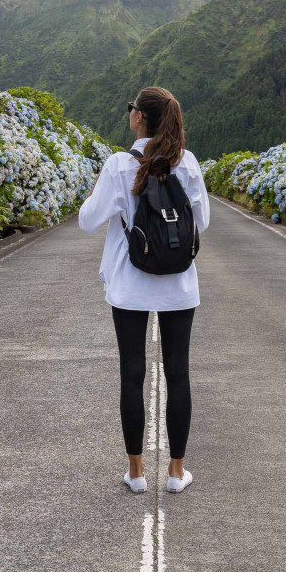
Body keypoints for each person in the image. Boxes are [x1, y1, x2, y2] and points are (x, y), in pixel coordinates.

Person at [77, 86, 210, 495]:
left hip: (130, 285)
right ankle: (175, 472)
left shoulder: (119, 164)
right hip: (178, 284)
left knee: (132, 373)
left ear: (139, 118)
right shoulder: (186, 163)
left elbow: (86, 221)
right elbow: (201, 223)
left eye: (131, 107)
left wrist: (106, 186)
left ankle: (136, 473)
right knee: (178, 373)